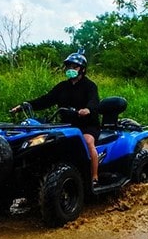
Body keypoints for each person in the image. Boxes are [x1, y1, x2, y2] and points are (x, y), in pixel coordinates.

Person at [10, 52, 101, 187]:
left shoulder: (90, 86)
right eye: (69, 66)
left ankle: (94, 177)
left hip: (87, 125)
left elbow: (94, 101)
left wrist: (87, 109)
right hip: (66, 126)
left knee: (87, 142)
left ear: (82, 69)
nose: (71, 69)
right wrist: (24, 105)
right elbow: (45, 100)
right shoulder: (62, 87)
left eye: (74, 67)